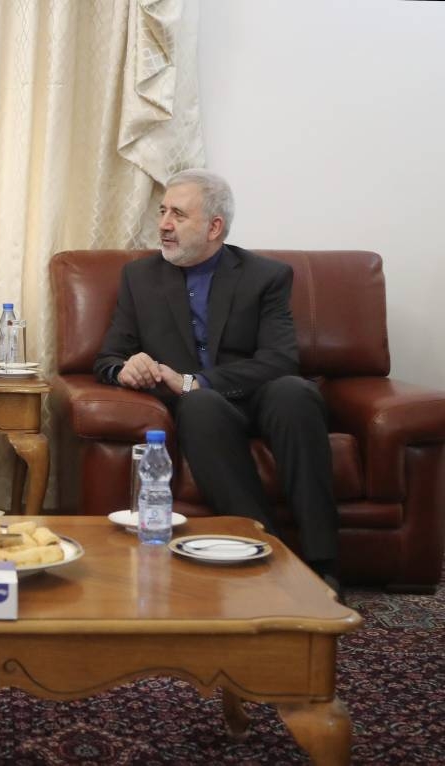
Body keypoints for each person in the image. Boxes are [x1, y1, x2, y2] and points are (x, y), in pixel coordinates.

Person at [94, 169, 340, 594]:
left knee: (295, 392)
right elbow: (108, 358)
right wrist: (125, 368)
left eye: (178, 215)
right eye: (162, 212)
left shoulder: (266, 276)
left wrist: (194, 380)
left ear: (214, 227)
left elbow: (281, 359)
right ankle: (269, 550)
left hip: (261, 395)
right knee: (199, 405)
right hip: (202, 411)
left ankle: (324, 563)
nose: (164, 224)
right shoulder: (140, 278)